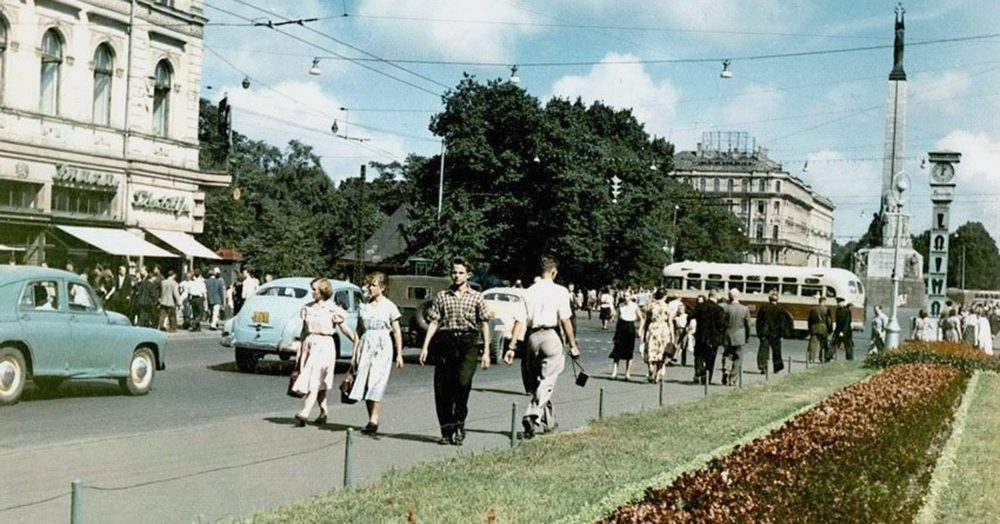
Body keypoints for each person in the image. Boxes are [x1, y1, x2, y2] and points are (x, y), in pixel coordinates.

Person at [503, 255, 580, 439]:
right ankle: (531, 414)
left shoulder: (528, 292)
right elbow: (565, 320)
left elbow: (519, 321)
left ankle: (550, 422)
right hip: (551, 335)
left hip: (532, 337)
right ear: (553, 272)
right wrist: (572, 345)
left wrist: (512, 347)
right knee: (547, 380)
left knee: (539, 383)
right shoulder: (560, 291)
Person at [419, 256, 491, 446]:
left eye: (461, 273)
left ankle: (459, 424)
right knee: (443, 389)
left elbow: (484, 324)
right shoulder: (442, 296)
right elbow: (434, 322)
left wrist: (486, 352)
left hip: (468, 343)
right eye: (454, 272)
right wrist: (425, 347)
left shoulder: (477, 297)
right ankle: (446, 431)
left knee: (463, 384)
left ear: (468, 275)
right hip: (446, 342)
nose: (457, 276)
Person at [291, 278, 358, 427]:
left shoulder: (332, 309)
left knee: (314, 379)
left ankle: (305, 412)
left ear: (323, 291)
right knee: (319, 381)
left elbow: (344, 329)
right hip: (309, 344)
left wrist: (357, 341)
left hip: (324, 346)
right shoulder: (307, 308)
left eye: (315, 289)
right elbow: (304, 330)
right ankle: (323, 412)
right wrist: (300, 348)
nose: (312, 292)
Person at [348, 272, 403, 436]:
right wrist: (354, 353)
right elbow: (358, 331)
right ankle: (372, 419)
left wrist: (399, 354)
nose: (370, 288)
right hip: (366, 344)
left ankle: (374, 417)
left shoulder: (389, 306)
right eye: (368, 285)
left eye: (373, 285)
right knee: (365, 382)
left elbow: (397, 331)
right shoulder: (363, 306)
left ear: (382, 287)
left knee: (375, 381)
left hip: (382, 346)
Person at [688, 289, 727, 385]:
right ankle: (707, 378)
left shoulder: (700, 306)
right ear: (715, 295)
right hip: (713, 338)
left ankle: (699, 370)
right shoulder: (719, 309)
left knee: (699, 355)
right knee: (710, 359)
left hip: (700, 336)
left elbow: (690, 316)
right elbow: (721, 324)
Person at [642, 289, 674, 384]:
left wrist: (644, 333)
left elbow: (647, 321)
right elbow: (670, 322)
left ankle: (651, 368)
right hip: (663, 329)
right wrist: (672, 336)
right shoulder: (667, 307)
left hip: (653, 328)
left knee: (650, 350)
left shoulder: (650, 306)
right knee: (662, 353)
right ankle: (658, 375)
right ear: (665, 296)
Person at [609, 291, 643, 381]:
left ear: (631, 297)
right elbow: (618, 317)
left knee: (629, 351)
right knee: (617, 350)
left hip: (630, 326)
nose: (625, 297)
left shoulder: (634, 306)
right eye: (624, 296)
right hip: (621, 327)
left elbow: (641, 318)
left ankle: (627, 373)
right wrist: (616, 332)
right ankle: (614, 372)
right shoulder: (620, 305)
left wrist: (640, 330)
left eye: (627, 296)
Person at [755, 291, 790, 374]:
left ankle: (763, 366)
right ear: (777, 300)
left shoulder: (763, 308)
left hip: (765, 332)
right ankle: (777, 367)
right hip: (776, 333)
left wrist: (759, 333)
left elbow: (759, 322)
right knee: (776, 351)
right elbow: (783, 323)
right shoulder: (780, 309)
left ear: (769, 299)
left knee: (763, 351)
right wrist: (783, 334)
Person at [807, 295, 832, 363]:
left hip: (814, 327)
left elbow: (809, 320)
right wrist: (830, 330)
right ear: (824, 301)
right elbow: (829, 321)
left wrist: (810, 328)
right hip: (823, 328)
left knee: (813, 344)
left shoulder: (813, 309)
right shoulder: (826, 310)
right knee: (823, 344)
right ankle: (823, 358)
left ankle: (811, 358)